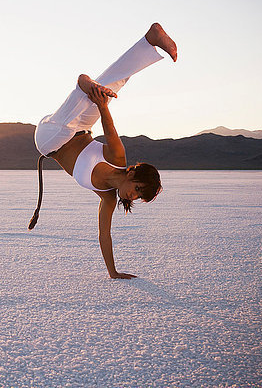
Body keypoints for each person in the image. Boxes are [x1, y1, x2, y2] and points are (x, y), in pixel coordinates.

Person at [28, 23, 177, 279]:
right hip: (77, 127)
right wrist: (101, 102)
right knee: (108, 89)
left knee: (77, 114)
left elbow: (104, 235)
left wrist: (113, 272)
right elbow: (108, 126)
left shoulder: (108, 197)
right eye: (138, 189)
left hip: (48, 140)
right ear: (133, 175)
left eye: (138, 196)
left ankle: (84, 86)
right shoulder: (117, 158)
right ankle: (149, 40)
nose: (133, 195)